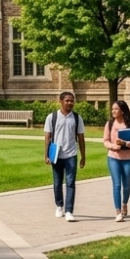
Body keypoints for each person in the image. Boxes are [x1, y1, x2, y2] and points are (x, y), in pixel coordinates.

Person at [44, 91, 85, 222]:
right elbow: (47, 137)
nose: (70, 103)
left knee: (71, 183)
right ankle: (59, 205)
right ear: (61, 101)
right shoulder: (52, 117)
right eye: (67, 100)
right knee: (57, 183)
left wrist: (83, 156)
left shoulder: (77, 118)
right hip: (56, 154)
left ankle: (69, 211)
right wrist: (46, 155)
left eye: (72, 101)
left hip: (71, 154)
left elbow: (81, 137)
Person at [103, 100, 130, 221]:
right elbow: (105, 141)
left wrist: (126, 143)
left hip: (128, 158)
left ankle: (125, 204)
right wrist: (113, 146)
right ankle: (118, 212)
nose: (113, 111)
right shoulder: (109, 124)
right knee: (116, 185)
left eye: (116, 109)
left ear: (122, 111)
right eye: (112, 109)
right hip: (113, 158)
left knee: (126, 185)